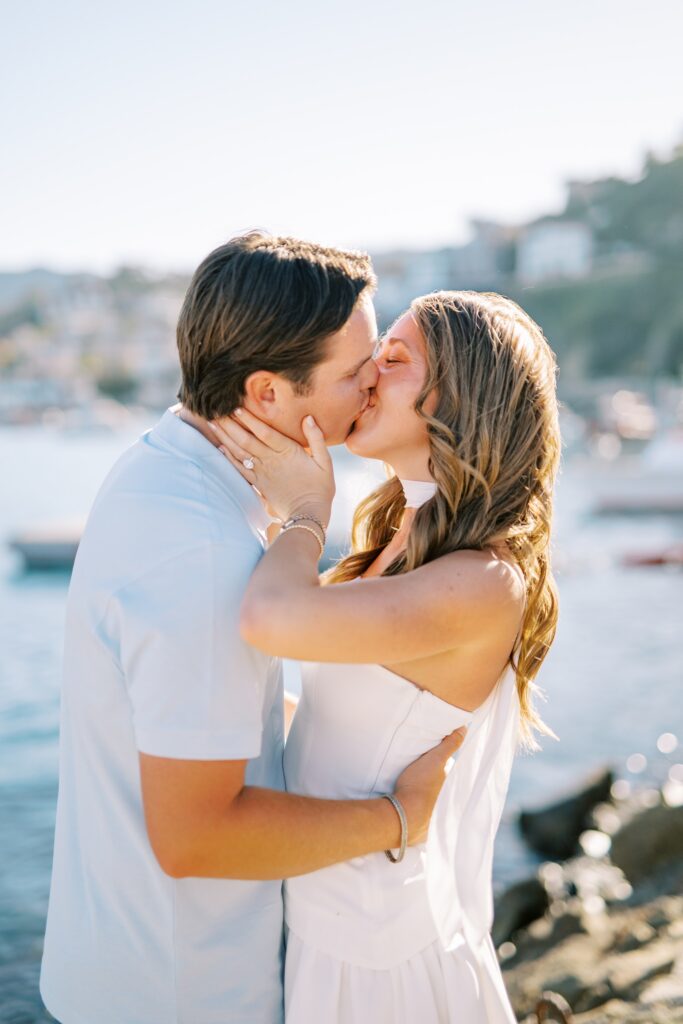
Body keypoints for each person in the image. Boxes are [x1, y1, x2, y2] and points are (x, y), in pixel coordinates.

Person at [39, 234, 466, 1024]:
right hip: (183, 996)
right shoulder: (201, 551)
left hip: (119, 973)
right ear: (267, 393)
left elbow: (193, 711)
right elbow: (197, 835)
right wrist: (399, 816)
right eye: (354, 371)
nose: (375, 382)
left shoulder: (157, 467)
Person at [210, 289, 562, 1023]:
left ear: (464, 394)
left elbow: (268, 616)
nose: (368, 371)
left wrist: (306, 513)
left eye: (394, 358)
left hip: (381, 958)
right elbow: (359, 717)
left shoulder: (483, 580)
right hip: (329, 918)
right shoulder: (401, 542)